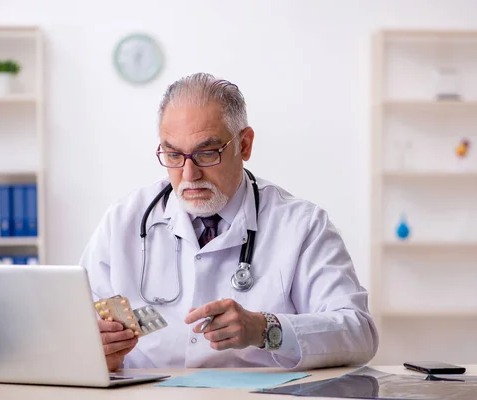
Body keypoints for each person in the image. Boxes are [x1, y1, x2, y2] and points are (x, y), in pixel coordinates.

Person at [80, 72, 378, 371]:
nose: (189, 175)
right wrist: (97, 353)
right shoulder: (123, 220)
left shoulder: (301, 225)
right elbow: (73, 328)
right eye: (173, 155)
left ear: (244, 145)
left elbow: (358, 333)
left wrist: (265, 329)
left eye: (207, 153)